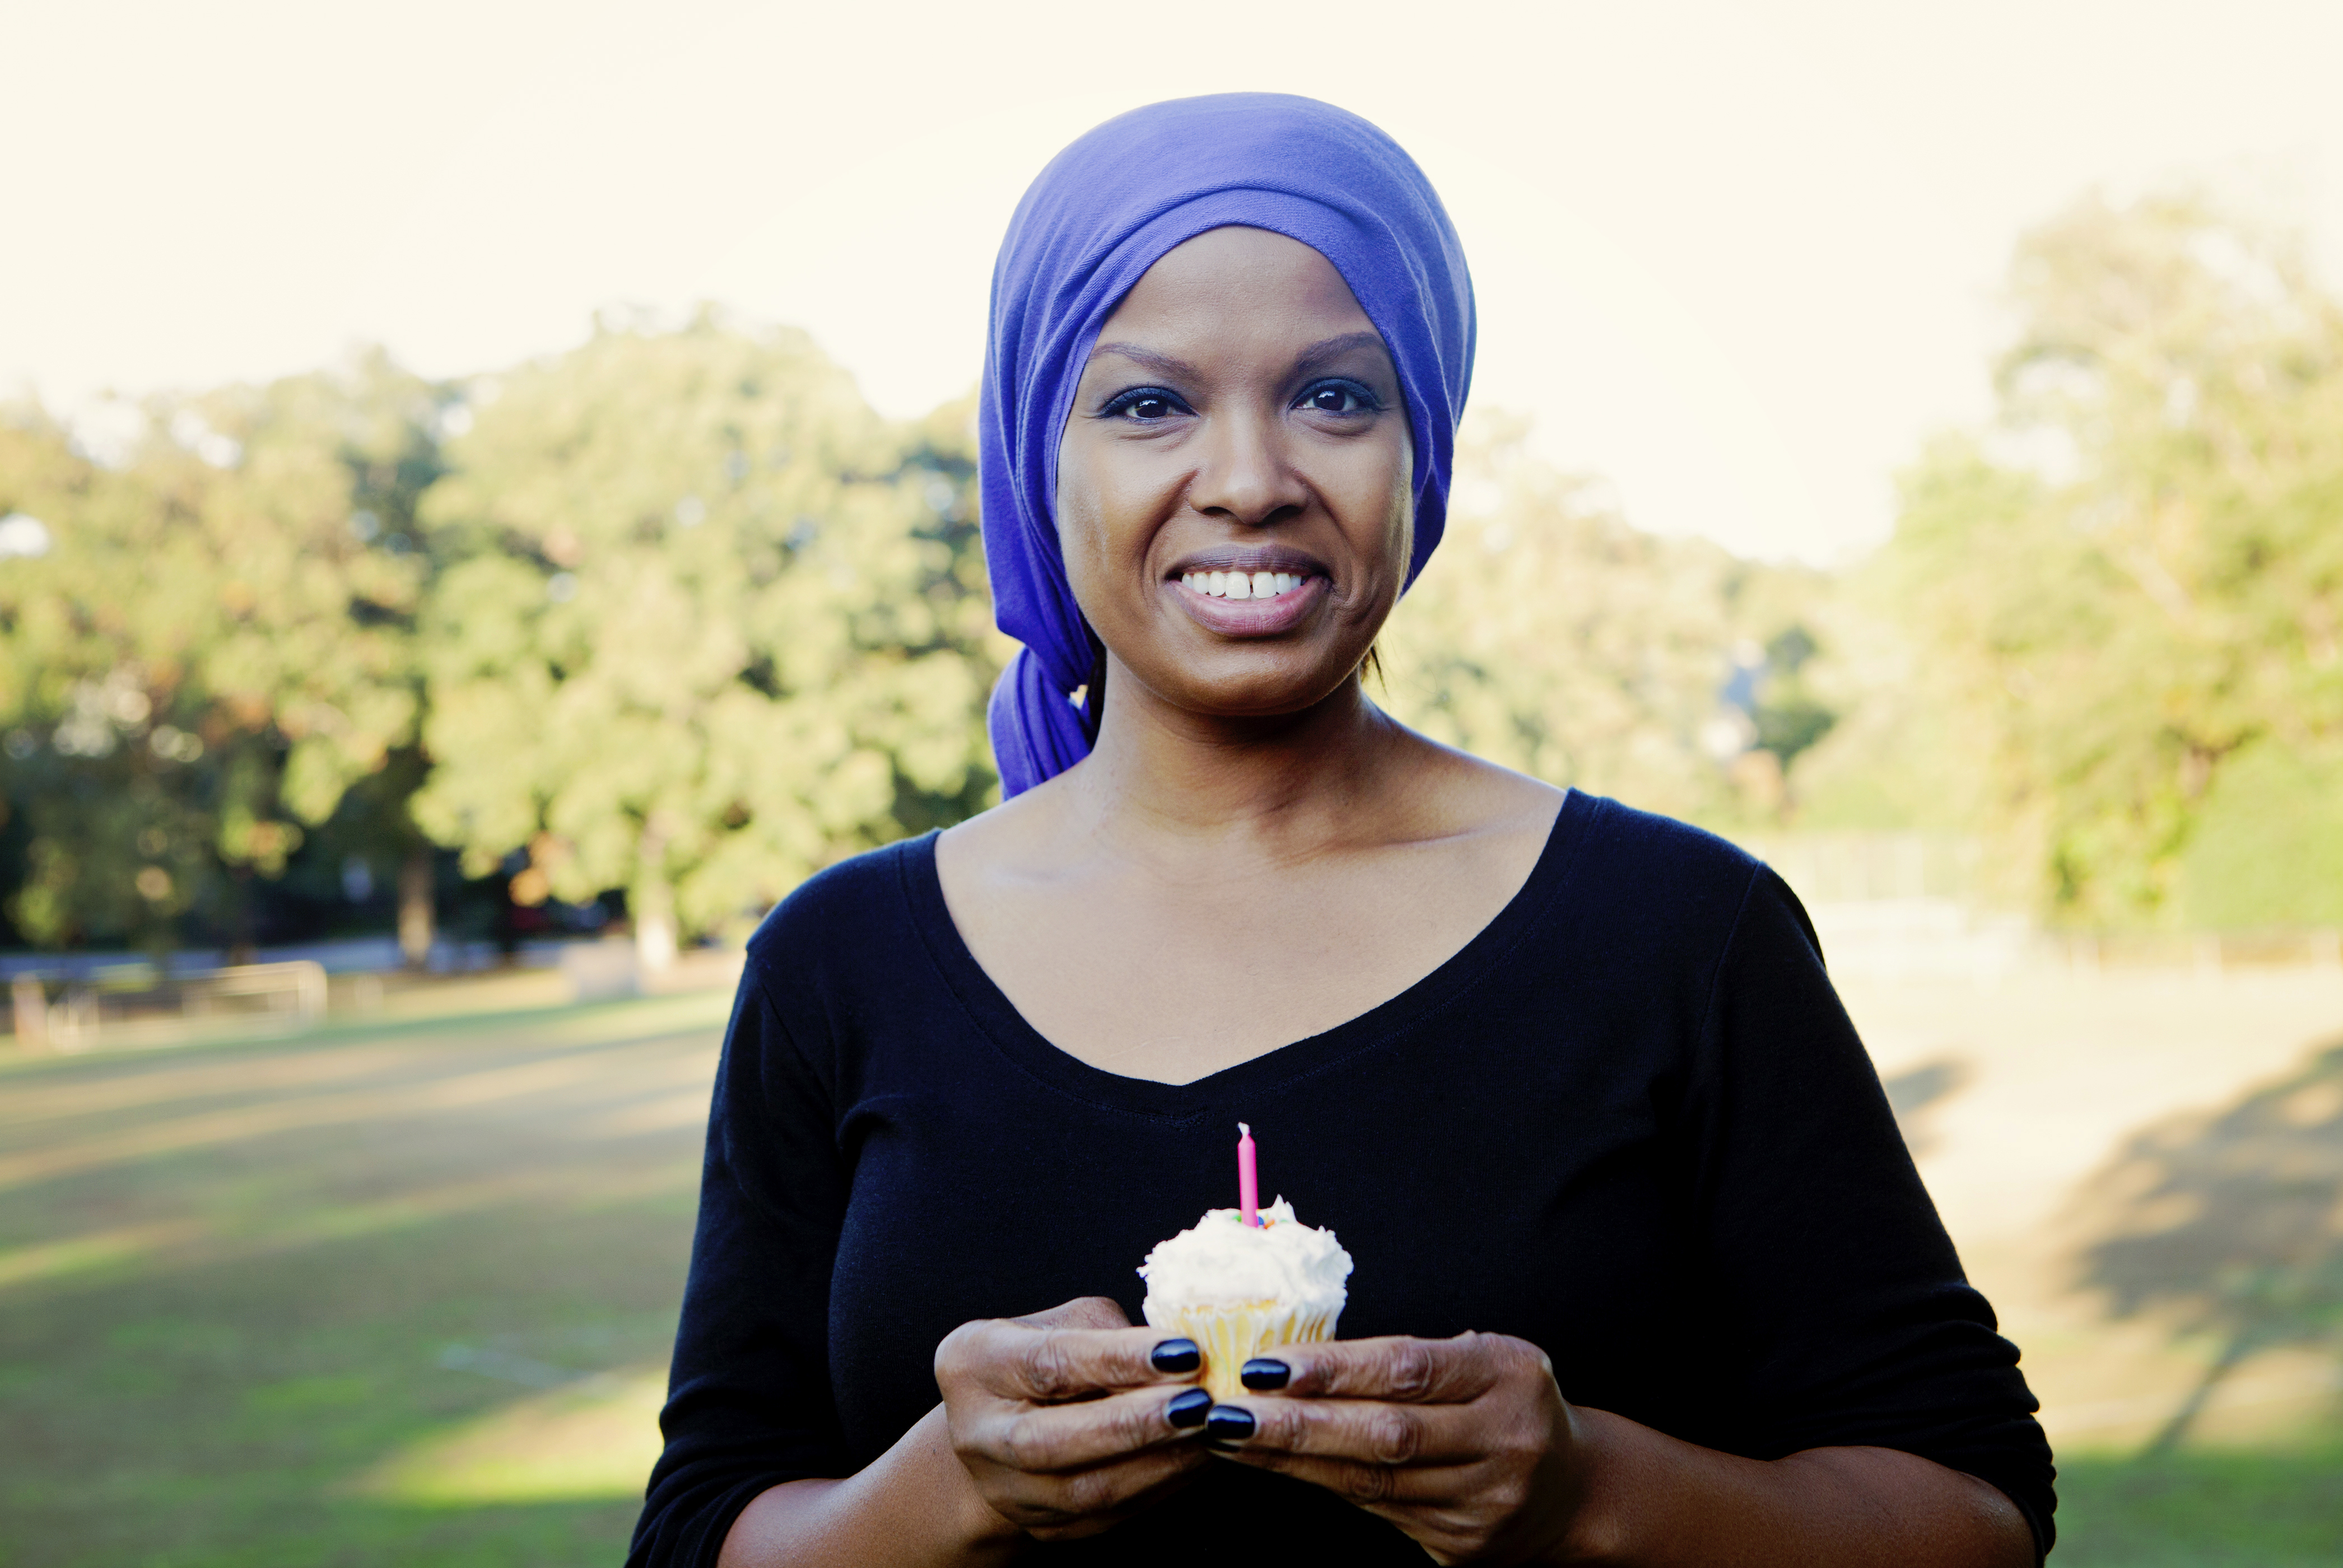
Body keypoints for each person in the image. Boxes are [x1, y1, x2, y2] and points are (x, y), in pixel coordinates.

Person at [629, 94, 2054, 1567]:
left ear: (1422, 445)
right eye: (1146, 403)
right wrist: (946, 1491)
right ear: (1035, 459)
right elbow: (701, 1533)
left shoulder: (1681, 937)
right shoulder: (840, 967)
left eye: (1333, 396)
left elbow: (1978, 1518)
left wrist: (1589, 1494)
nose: (1249, 479)